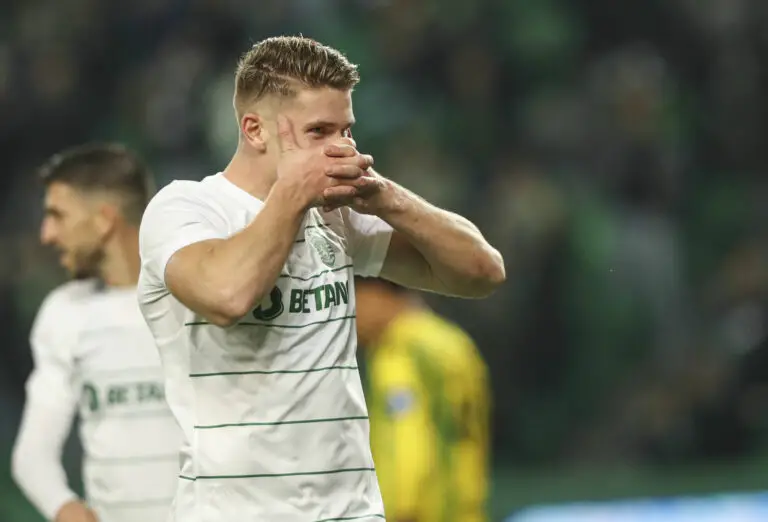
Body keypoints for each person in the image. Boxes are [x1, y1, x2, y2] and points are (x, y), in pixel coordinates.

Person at [137, 35, 505, 522]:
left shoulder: (336, 216)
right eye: (318, 132)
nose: (341, 148)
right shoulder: (186, 209)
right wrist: (292, 194)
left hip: (352, 511)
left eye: (346, 130)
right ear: (254, 130)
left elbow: (481, 272)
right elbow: (227, 296)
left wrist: (384, 196)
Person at [11, 144, 182, 522]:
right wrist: (65, 508)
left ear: (104, 221)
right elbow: (32, 456)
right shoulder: (64, 313)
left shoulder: (196, 300)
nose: (46, 234)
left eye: (58, 216)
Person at [355, 277, 490, 522]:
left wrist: (401, 509)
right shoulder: (453, 342)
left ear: (376, 293)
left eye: (354, 300)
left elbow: (406, 437)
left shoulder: (401, 349)